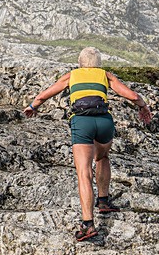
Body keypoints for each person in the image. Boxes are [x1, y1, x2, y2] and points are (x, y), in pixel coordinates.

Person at [23, 47, 152, 241]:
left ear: (80, 62)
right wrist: (143, 107)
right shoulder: (105, 75)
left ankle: (88, 224)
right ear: (98, 63)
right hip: (104, 122)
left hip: (82, 122)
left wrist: (33, 107)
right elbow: (133, 96)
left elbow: (44, 95)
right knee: (102, 156)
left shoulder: (71, 75)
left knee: (84, 172)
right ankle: (103, 201)